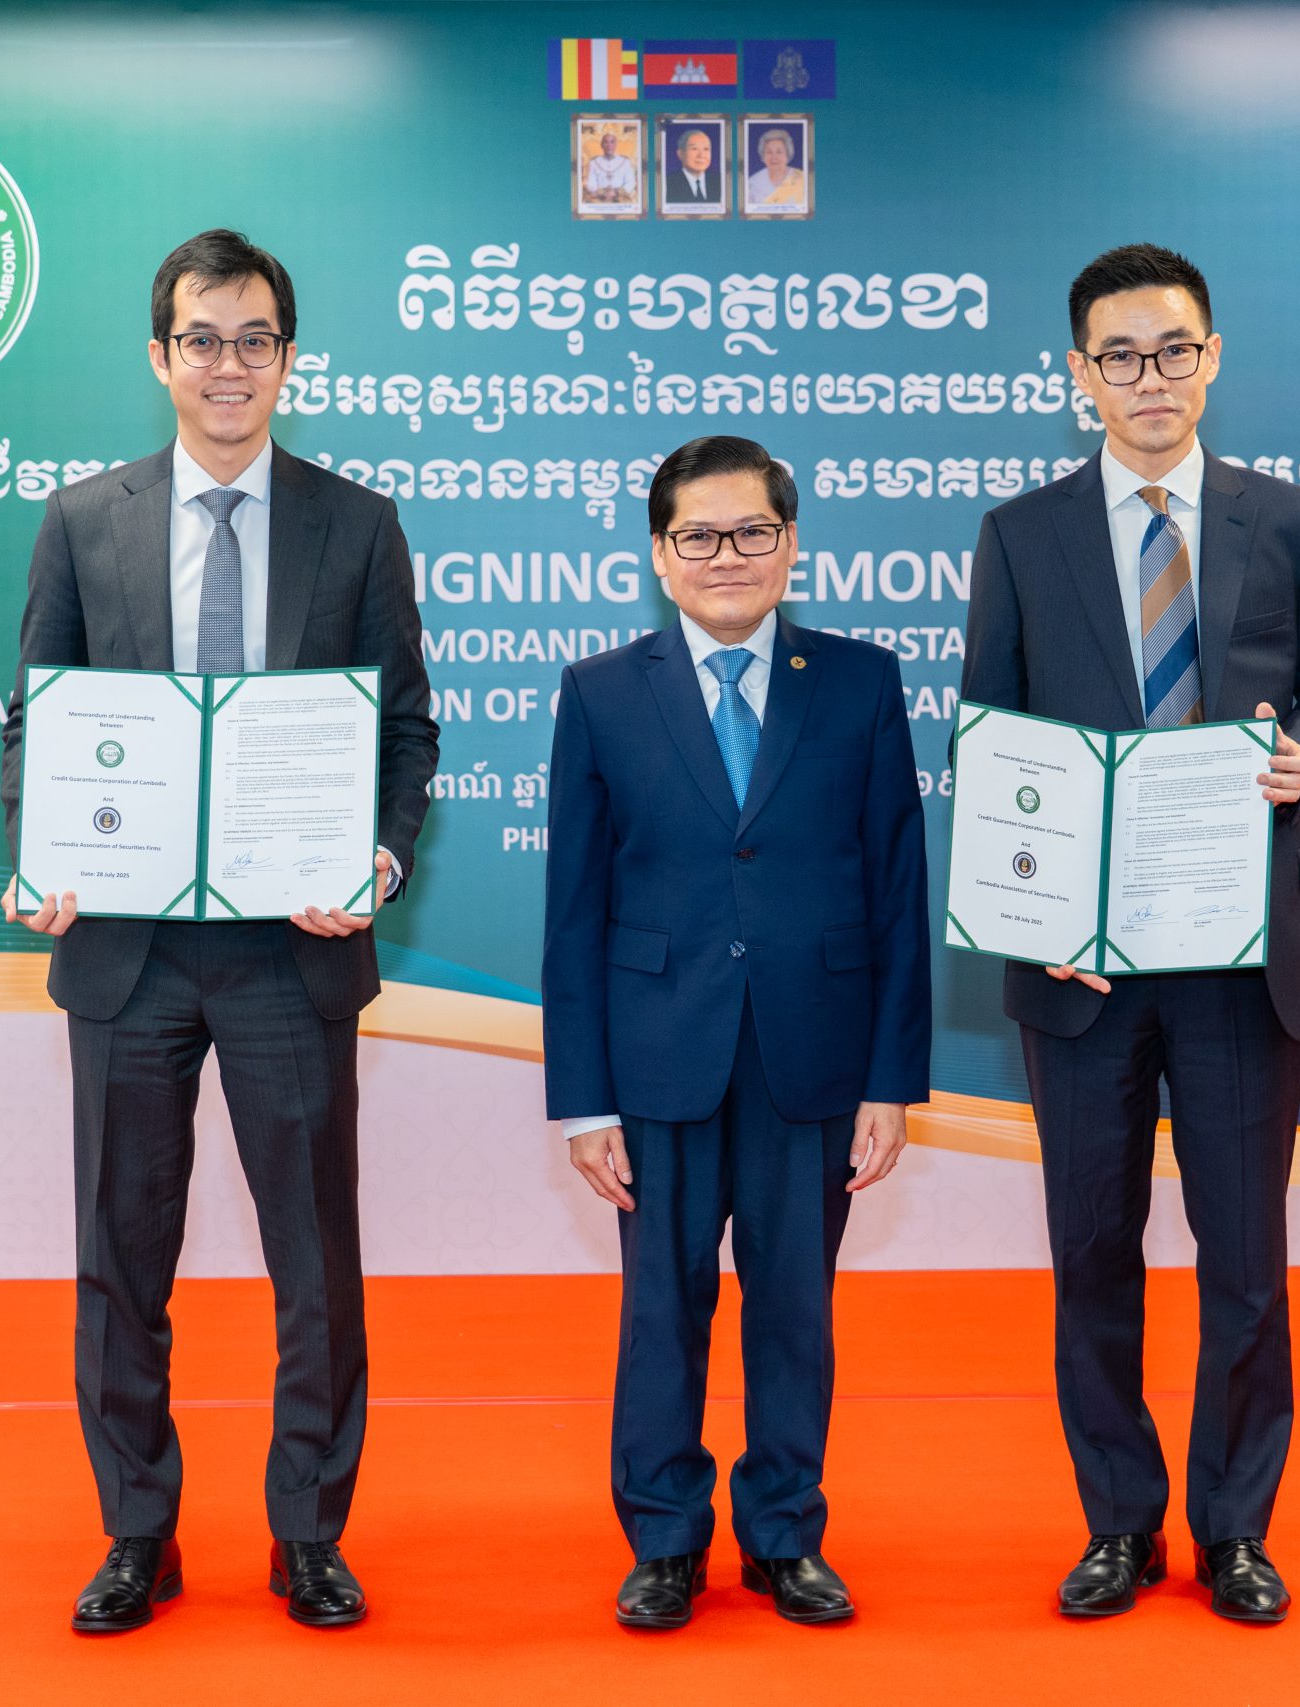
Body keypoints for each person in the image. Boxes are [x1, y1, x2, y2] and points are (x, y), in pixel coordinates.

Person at [0, 228, 439, 1635]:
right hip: (125, 951)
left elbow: (405, 730)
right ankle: (138, 1529)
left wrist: (377, 859)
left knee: (315, 1259)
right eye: (203, 339)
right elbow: (39, 720)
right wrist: (41, 856)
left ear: (288, 358)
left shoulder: (356, 523)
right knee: (121, 1253)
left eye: (255, 339)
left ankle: (309, 1530)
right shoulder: (85, 520)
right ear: (160, 356)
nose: (228, 365)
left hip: (289, 948)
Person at [958, 244, 1300, 1625]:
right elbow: (992, 741)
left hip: (1242, 957)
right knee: (1093, 1255)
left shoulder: (1291, 521)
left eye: (1174, 349)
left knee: (1244, 1258)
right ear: (1080, 375)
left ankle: (1236, 1526)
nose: (1151, 377)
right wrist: (1030, 916)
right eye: (1122, 356)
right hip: (1080, 965)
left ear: (1213, 357)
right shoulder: (1020, 535)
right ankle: (1119, 1523)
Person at [543, 435, 931, 1630]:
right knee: (661, 1311)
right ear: (660, 556)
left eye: (752, 532)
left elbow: (898, 889)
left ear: (790, 543)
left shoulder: (859, 682)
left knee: (793, 1311)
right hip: (656, 1057)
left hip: (814, 1055)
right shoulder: (601, 691)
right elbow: (574, 907)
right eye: (698, 537)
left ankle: (784, 1534)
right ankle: (663, 1538)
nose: (728, 556)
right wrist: (583, 1100)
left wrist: (890, 1082)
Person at [745, 127, 806, 209]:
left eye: (779, 152)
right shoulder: (752, 184)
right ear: (763, 156)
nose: (774, 157)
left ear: (787, 155)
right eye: (769, 152)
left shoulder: (803, 179)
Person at [664, 127, 722, 207]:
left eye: (706, 149)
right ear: (680, 154)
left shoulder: (720, 182)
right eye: (694, 148)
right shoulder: (667, 184)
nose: (701, 155)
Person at [584, 126, 639, 204]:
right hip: (599, 199)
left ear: (616, 144)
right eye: (606, 142)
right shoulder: (594, 162)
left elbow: (631, 182)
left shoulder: (625, 161)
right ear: (602, 145)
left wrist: (616, 192)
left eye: (612, 142)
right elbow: (590, 183)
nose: (609, 145)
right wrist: (602, 193)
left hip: (621, 199)